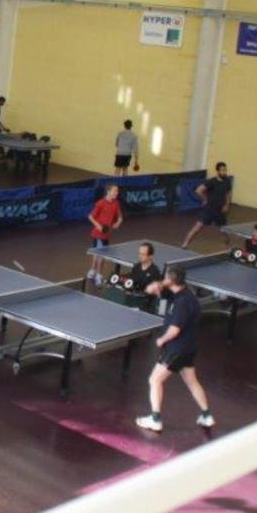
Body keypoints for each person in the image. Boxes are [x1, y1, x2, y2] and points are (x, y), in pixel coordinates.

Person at [136, 267, 214, 433]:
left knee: (154, 380)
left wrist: (161, 340)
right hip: (188, 348)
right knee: (191, 381)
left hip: (176, 349)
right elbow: (151, 290)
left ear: (171, 280)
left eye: (165, 278)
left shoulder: (182, 303)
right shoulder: (181, 293)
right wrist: (155, 286)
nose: (163, 279)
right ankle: (207, 416)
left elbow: (175, 330)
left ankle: (155, 420)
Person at [180, 162, 233, 249]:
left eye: (225, 170)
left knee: (224, 230)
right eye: (222, 170)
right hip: (209, 209)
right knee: (197, 228)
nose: (224, 172)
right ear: (217, 171)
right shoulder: (212, 181)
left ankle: (228, 247)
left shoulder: (227, 181)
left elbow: (228, 193)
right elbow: (198, 190)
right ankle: (185, 244)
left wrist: (227, 205)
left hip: (220, 210)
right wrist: (205, 199)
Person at [87, 184, 124, 285]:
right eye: (115, 191)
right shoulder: (101, 203)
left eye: (117, 191)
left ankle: (92, 270)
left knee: (97, 253)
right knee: (101, 255)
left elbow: (120, 217)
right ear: (108, 191)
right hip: (98, 233)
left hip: (107, 234)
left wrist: (118, 223)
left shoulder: (116, 203)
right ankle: (98, 275)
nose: (117, 193)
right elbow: (90, 216)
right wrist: (98, 226)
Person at [128, 242, 164, 312]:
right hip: (133, 301)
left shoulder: (155, 272)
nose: (140, 256)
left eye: (143, 254)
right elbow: (132, 283)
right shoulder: (136, 267)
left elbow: (155, 293)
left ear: (150, 256)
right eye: (139, 253)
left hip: (147, 306)